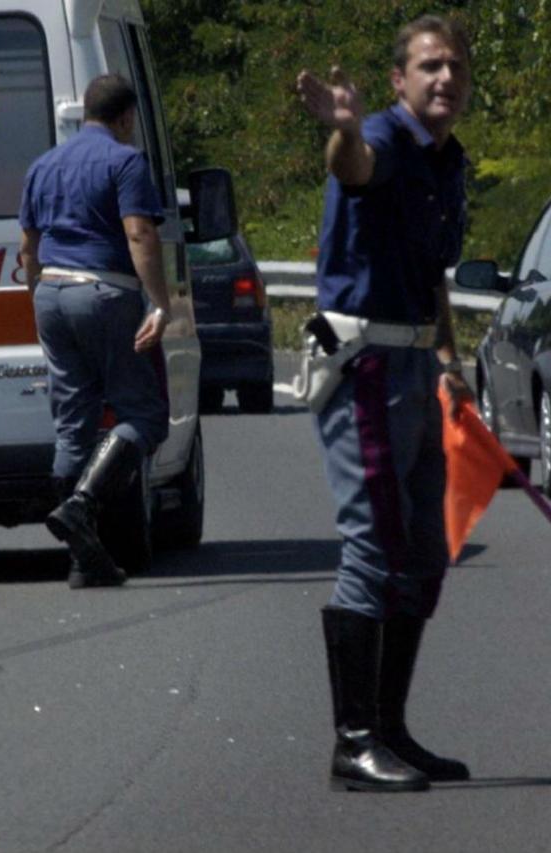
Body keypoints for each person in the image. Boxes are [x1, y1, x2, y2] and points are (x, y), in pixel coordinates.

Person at [296, 14, 474, 792]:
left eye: (456, 69)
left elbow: (434, 269)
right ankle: (354, 740)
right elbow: (353, 166)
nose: (445, 79)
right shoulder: (380, 137)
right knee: (373, 546)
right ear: (400, 79)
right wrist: (338, 128)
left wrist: (450, 360)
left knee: (425, 554)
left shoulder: (447, 158)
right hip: (365, 360)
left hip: (416, 364)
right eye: (430, 66)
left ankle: (392, 727)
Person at [18, 73, 171, 590]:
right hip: (104, 292)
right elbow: (139, 232)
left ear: (85, 112)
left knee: (73, 424)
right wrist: (160, 303)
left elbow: (27, 247)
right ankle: (82, 506)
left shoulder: (42, 165)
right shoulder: (125, 162)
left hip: (50, 292)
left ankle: (84, 560)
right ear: (125, 117)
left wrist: (38, 300)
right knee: (144, 415)